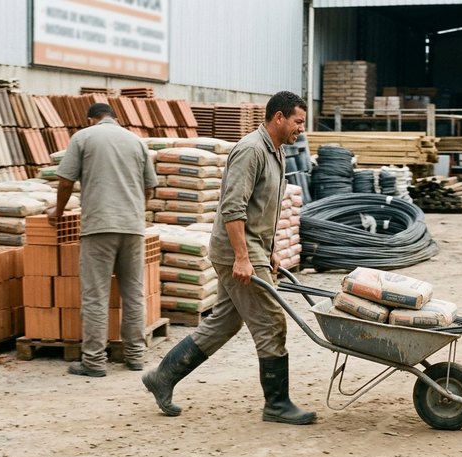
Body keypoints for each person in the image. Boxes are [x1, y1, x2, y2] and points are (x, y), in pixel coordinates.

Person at [142, 91, 316, 425]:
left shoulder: (275, 151)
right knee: (270, 322)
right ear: (278, 117)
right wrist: (242, 257)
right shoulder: (251, 150)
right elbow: (232, 207)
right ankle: (277, 404)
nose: (300, 130)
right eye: (297, 122)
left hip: (253, 249)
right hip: (237, 251)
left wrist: (271, 251)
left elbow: (264, 208)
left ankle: (162, 377)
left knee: (225, 321)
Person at [49, 103, 158, 377]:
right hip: (133, 228)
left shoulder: (84, 137)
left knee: (95, 295)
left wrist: (58, 211)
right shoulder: (136, 141)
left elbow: (64, 181)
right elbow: (150, 188)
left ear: (91, 119)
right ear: (115, 118)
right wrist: (133, 211)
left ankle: (94, 361)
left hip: (99, 226)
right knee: (133, 293)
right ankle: (135, 356)